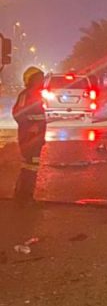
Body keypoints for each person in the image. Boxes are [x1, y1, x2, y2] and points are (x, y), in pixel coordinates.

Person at [12, 66, 47, 204]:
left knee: (32, 166)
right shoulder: (26, 95)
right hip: (28, 138)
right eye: (39, 78)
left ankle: (26, 196)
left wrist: (41, 136)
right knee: (29, 165)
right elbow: (18, 113)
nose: (42, 81)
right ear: (31, 80)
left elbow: (40, 118)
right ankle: (22, 196)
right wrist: (30, 127)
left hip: (36, 139)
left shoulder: (36, 95)